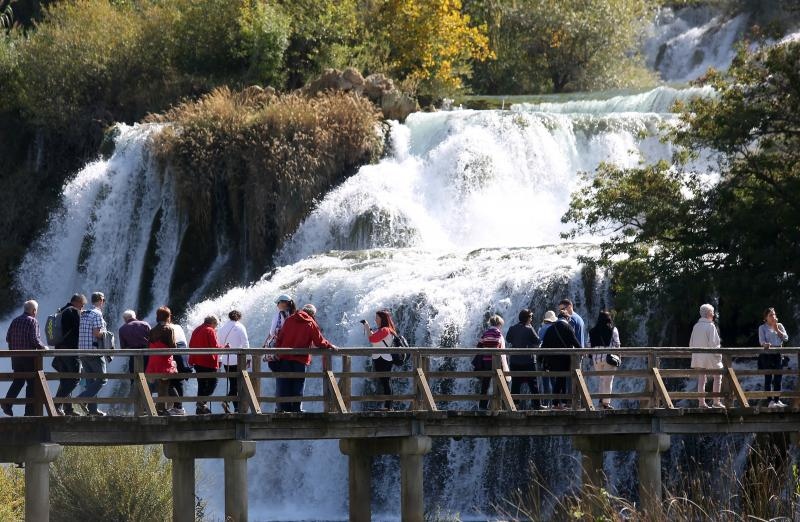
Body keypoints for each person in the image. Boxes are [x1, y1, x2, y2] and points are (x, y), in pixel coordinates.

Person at [274, 305, 337, 413]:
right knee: (298, 384)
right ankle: (296, 409)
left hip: (284, 357)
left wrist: (277, 352)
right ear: (312, 314)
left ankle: (283, 409)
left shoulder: (289, 320)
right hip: (300, 359)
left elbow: (280, 337)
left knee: (285, 384)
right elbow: (319, 342)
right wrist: (330, 345)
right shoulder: (310, 322)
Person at [4, 300, 48, 416]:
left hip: (16, 358)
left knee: (18, 381)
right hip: (29, 358)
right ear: (34, 311)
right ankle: (29, 412)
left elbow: (8, 338)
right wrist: (44, 348)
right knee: (32, 383)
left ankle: (7, 403)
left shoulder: (15, 320)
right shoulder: (33, 321)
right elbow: (34, 340)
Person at [53, 294, 86, 416]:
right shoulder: (73, 311)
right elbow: (79, 331)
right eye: (82, 305)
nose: (82, 308)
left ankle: (68, 409)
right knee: (75, 378)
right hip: (70, 350)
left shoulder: (61, 310)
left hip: (59, 350)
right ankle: (56, 404)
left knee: (66, 378)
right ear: (77, 302)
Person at [76, 292, 108, 416]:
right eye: (103, 301)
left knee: (90, 381)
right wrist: (106, 333)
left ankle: (93, 410)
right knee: (102, 379)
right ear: (100, 300)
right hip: (94, 352)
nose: (103, 303)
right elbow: (97, 333)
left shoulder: (83, 313)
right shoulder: (97, 313)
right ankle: (82, 398)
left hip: (82, 351)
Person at [541, 311, 581, 410]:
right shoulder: (568, 327)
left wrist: (542, 360)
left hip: (552, 360)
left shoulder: (550, 328)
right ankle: (558, 403)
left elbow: (544, 345)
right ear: (567, 318)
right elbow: (575, 342)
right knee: (561, 380)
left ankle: (558, 403)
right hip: (564, 358)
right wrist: (582, 351)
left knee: (559, 379)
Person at [363, 309, 400, 410]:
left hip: (384, 359)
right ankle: (388, 405)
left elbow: (372, 339)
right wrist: (368, 327)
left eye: (377, 318)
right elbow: (374, 338)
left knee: (386, 382)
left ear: (382, 319)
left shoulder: (385, 330)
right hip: (381, 358)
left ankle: (388, 406)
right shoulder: (384, 330)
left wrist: (366, 327)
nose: (375, 319)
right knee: (385, 382)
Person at [690, 303, 724, 409]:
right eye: (712, 313)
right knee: (718, 376)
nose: (713, 315)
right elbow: (714, 344)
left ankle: (701, 403)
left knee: (701, 378)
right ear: (708, 313)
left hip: (698, 356)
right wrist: (719, 356)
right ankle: (716, 401)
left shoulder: (696, 326)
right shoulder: (710, 326)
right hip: (709, 356)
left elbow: (691, 343)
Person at [146, 306, 179, 415]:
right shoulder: (169, 329)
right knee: (164, 385)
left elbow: (149, 345)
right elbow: (173, 346)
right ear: (168, 316)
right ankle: (162, 409)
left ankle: (159, 408)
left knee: (160, 384)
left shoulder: (153, 330)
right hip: (164, 360)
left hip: (154, 360)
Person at [506, 309, 541, 410]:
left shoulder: (512, 328)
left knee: (516, 383)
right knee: (533, 383)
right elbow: (538, 341)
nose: (531, 318)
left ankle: (514, 405)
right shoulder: (529, 329)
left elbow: (508, 339)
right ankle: (536, 404)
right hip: (528, 360)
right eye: (530, 317)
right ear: (526, 318)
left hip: (515, 360)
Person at [473, 315, 509, 410]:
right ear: (499, 324)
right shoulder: (498, 334)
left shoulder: (485, 333)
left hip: (486, 361)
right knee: (500, 383)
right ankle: (500, 406)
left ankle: (482, 406)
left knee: (485, 384)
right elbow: (500, 348)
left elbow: (479, 346)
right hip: (496, 362)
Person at [217, 310, 250, 413]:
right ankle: (226, 400)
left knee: (233, 383)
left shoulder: (222, 328)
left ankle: (236, 408)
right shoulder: (240, 327)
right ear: (239, 317)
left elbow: (220, 344)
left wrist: (219, 359)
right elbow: (245, 343)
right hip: (237, 360)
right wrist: (248, 357)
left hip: (226, 360)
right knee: (237, 384)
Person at [189, 315, 222, 415]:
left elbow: (190, 344)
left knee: (201, 384)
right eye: (215, 325)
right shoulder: (210, 330)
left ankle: (199, 410)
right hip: (208, 362)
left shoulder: (196, 329)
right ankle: (201, 403)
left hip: (197, 361)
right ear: (212, 323)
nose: (215, 327)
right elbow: (215, 346)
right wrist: (225, 347)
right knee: (213, 382)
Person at [589, 311, 621, 410]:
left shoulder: (592, 331)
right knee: (608, 381)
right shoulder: (613, 329)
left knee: (602, 379)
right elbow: (617, 344)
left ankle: (601, 401)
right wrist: (619, 356)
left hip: (596, 360)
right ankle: (606, 403)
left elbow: (588, 344)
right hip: (609, 358)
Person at [758, 307, 789, 408]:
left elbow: (786, 338)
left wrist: (777, 329)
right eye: (771, 315)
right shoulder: (762, 327)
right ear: (766, 317)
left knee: (778, 378)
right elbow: (761, 341)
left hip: (778, 354)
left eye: (774, 314)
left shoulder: (779, 325)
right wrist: (765, 344)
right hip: (767, 355)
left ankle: (777, 399)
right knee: (768, 378)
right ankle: (770, 401)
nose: (773, 317)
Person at [119, 310, 150, 375]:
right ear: (134, 316)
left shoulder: (122, 329)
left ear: (124, 319)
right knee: (147, 376)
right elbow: (152, 339)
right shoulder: (145, 324)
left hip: (133, 355)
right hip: (147, 354)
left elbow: (123, 347)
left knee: (134, 377)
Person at [169, 321, 191, 415]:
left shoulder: (168, 329)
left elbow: (170, 344)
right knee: (179, 382)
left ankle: (178, 407)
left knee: (171, 383)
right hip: (184, 356)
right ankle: (179, 407)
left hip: (176, 356)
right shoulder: (178, 327)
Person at [537, 310, 557, 408]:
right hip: (554, 356)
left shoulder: (541, 328)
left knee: (545, 380)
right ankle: (556, 402)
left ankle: (546, 403)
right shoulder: (555, 328)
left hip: (543, 356)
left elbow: (538, 341)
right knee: (554, 379)